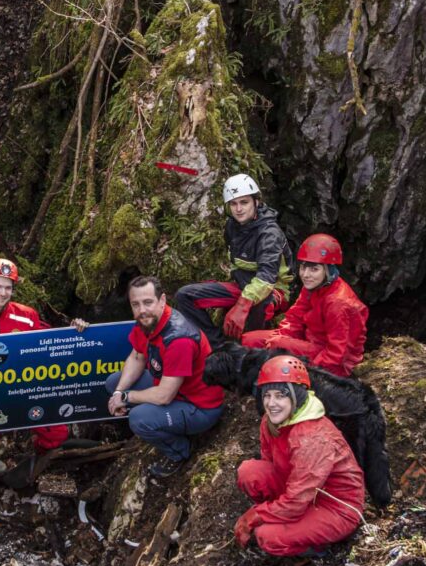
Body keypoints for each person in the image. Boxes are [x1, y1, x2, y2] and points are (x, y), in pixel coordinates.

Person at [0, 257, 89, 465]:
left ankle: (35, 455)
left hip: (22, 391)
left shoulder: (26, 315)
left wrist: (74, 330)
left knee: (57, 433)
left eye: (8, 287)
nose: (2, 293)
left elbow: (50, 343)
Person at [234, 355, 366, 556]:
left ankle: (318, 546)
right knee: (249, 472)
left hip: (335, 507)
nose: (271, 403)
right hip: (300, 490)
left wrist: (256, 515)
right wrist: (273, 509)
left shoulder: (311, 437)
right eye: (267, 395)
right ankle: (287, 517)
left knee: (267, 537)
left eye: (280, 395)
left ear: (296, 396)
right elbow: (269, 463)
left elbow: (296, 501)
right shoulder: (270, 422)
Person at [105, 277, 225, 478]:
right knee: (113, 383)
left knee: (138, 419)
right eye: (136, 304)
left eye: (148, 302)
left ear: (162, 300)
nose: (142, 310)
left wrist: (126, 398)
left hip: (199, 406)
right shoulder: (146, 322)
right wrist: (119, 392)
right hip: (170, 386)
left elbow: (164, 396)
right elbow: (137, 357)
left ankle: (179, 451)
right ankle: (161, 423)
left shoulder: (179, 338)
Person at [174, 174, 294, 349]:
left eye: (244, 202)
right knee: (184, 295)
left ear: (256, 202)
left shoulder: (269, 233)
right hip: (242, 285)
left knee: (261, 303)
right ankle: (218, 347)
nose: (239, 209)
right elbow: (235, 264)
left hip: (275, 289)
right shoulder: (232, 226)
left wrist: (241, 306)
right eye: (233, 203)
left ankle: (251, 351)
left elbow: (267, 279)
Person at [240, 233, 369, 378]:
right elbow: (294, 318)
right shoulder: (312, 287)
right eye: (303, 268)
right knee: (248, 340)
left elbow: (338, 353)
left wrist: (315, 373)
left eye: (314, 269)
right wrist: (282, 338)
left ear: (327, 271)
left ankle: (270, 377)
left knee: (276, 345)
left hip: (332, 360)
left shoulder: (338, 303)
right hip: (310, 342)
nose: (306, 275)